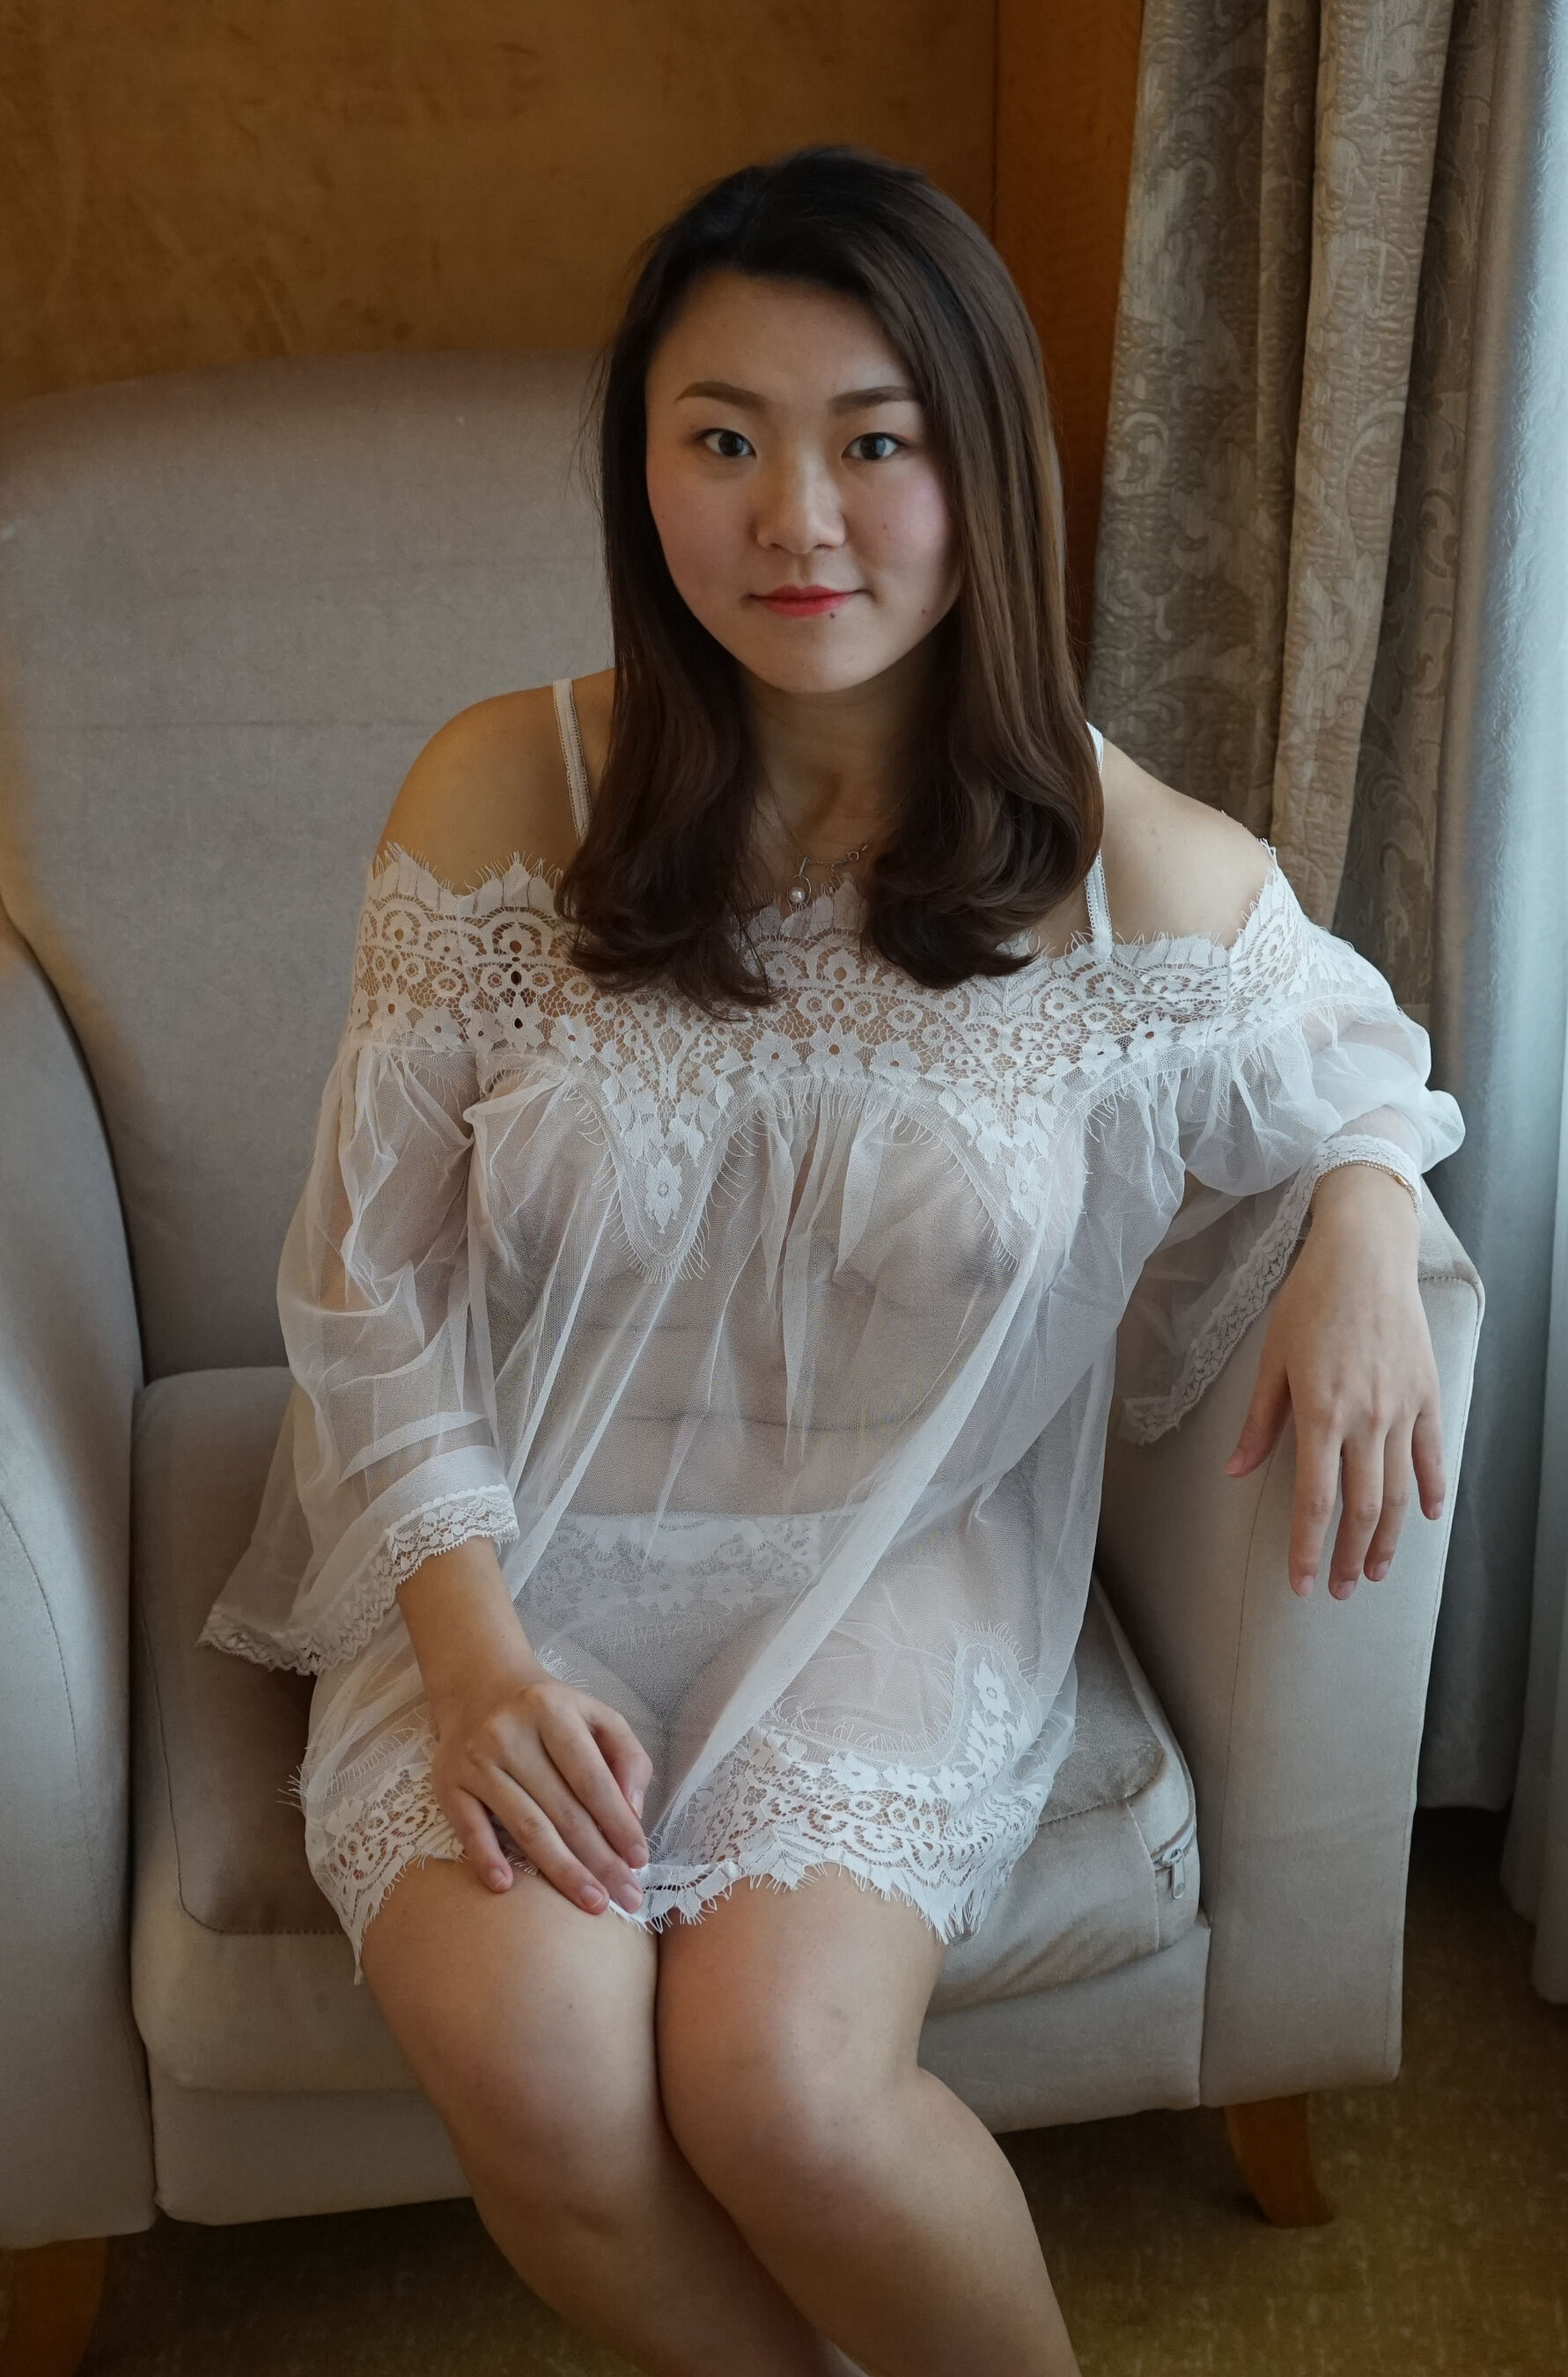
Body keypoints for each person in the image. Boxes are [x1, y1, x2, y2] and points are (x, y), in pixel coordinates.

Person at [200, 144, 1465, 2377]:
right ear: (645, 474)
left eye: (876, 443)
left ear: (984, 474)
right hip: (500, 1541)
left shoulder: (1125, 874)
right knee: (546, 2076)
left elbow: (1356, 1051)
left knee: (783, 2086)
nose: (798, 518)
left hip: (887, 1557)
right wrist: (474, 1655)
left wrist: (1364, 1210)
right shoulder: (507, 789)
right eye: (724, 441)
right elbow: (369, 1279)